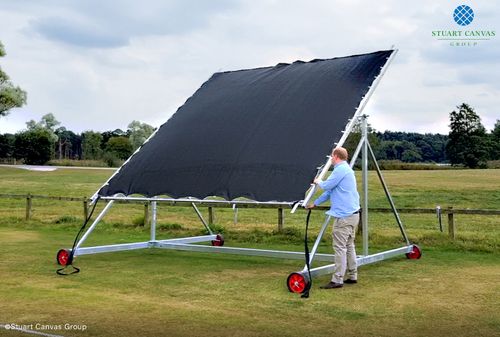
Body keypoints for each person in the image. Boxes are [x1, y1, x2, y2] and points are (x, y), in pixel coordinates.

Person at [306, 146, 360, 289]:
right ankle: (353, 275)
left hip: (344, 216)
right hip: (352, 215)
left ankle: (337, 280)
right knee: (349, 246)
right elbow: (330, 191)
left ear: (335, 156)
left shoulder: (340, 170)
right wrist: (315, 204)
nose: (331, 159)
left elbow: (326, 186)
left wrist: (317, 181)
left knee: (340, 247)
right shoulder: (346, 170)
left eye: (331, 157)